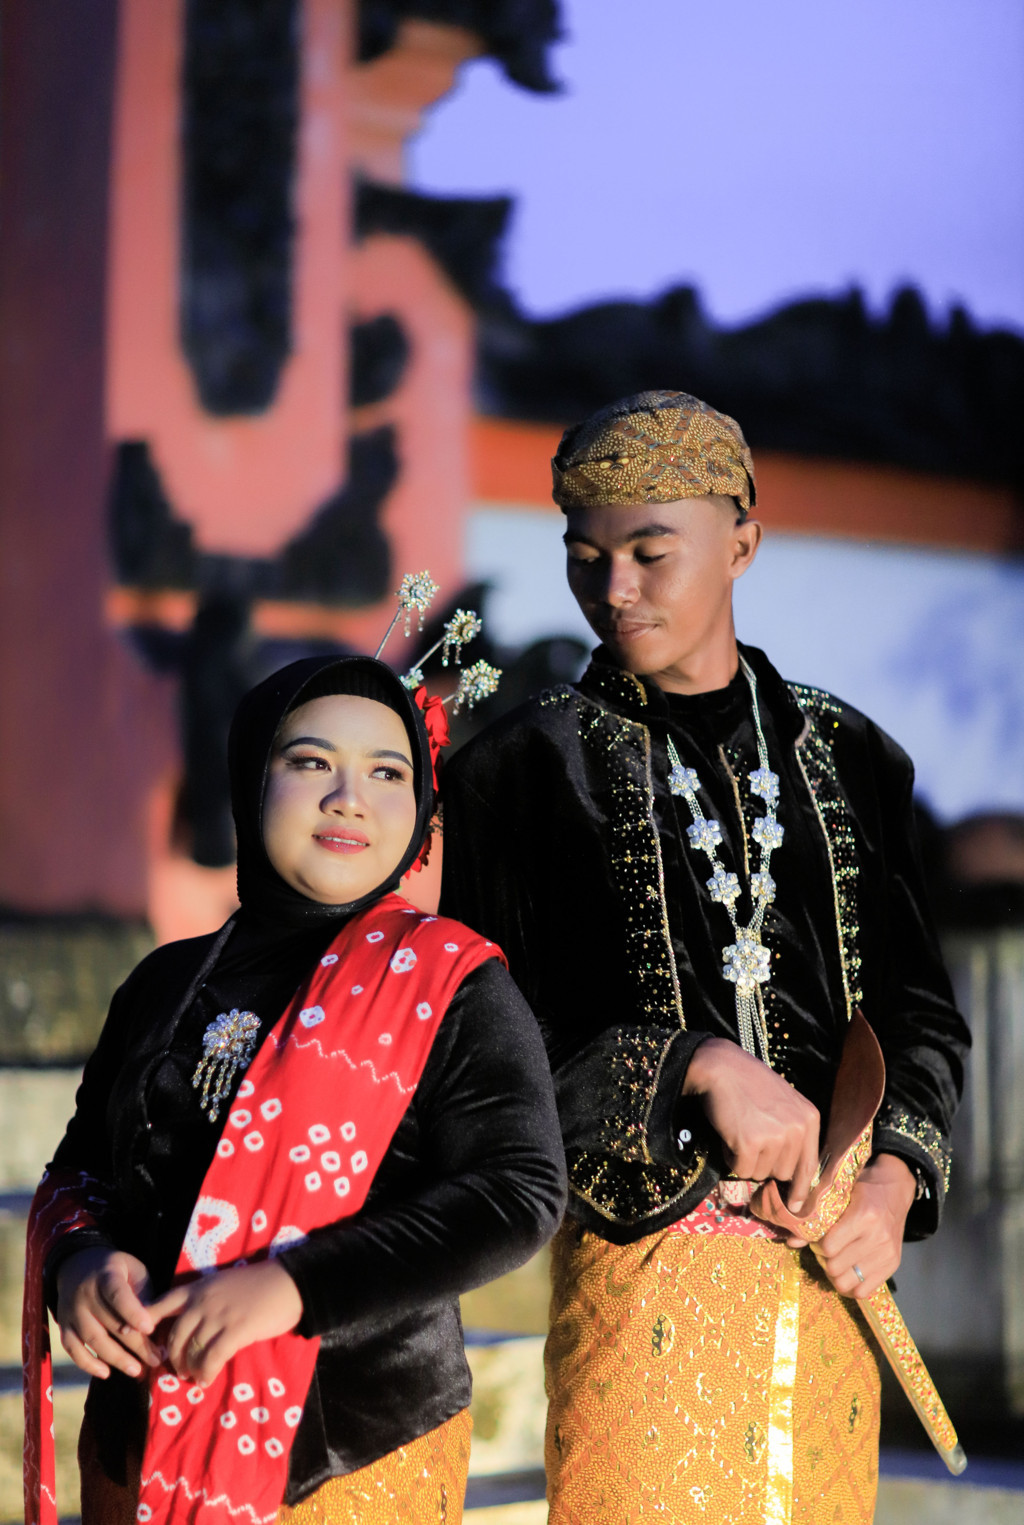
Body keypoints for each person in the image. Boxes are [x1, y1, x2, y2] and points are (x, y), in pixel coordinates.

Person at [439, 391, 970, 1525]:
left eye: (649, 552)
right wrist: (690, 1064)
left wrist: (892, 1180)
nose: (613, 590)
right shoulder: (516, 771)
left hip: (826, 1286)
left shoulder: (853, 756)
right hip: (639, 1284)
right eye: (586, 557)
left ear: (742, 544)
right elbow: (487, 1054)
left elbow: (920, 1016)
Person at [24, 653, 567, 1525]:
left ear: (421, 807)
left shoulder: (453, 983)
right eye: (312, 761)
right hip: (141, 1433)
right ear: (251, 779)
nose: (348, 797)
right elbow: (81, 1165)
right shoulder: (165, 981)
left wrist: (293, 1287)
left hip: (353, 1455)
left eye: (387, 772)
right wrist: (79, 1260)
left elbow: (517, 1191)